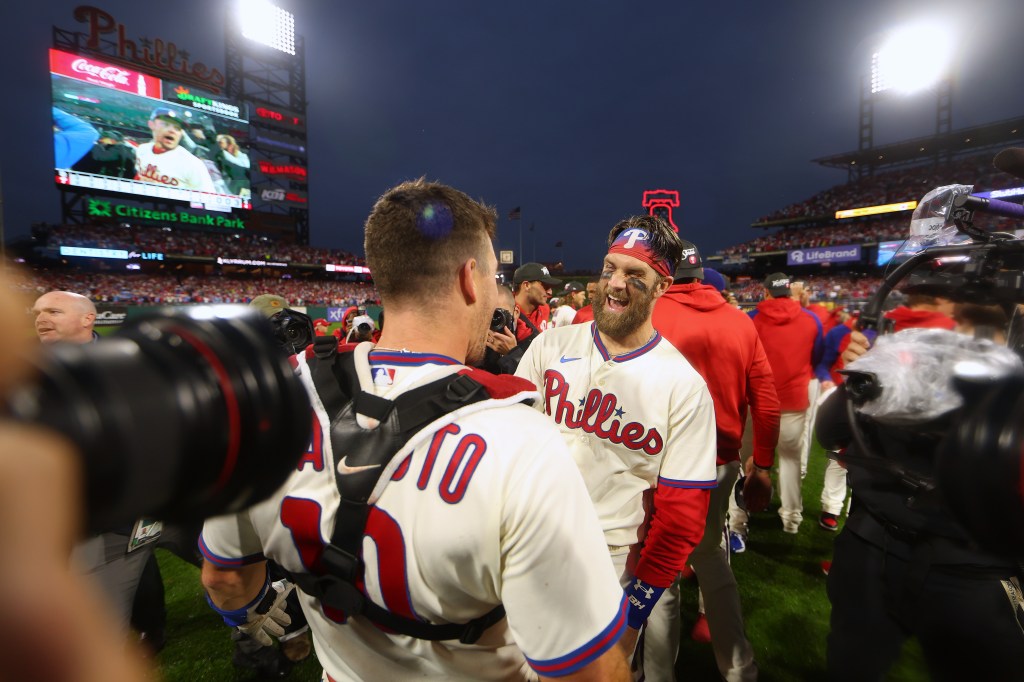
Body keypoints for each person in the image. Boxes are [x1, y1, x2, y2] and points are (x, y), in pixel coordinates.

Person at [200, 179, 630, 681]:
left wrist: (247, 612)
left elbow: (224, 577)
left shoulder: (269, 396)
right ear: (471, 278)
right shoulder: (521, 438)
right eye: (494, 276)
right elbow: (589, 670)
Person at [515, 215, 717, 679]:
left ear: (662, 287)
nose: (616, 284)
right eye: (610, 269)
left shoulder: (683, 386)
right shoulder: (550, 347)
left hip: (606, 564)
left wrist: (632, 616)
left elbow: (682, 519)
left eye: (635, 275)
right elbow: (506, 442)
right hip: (523, 538)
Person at [817, 328, 1024, 681]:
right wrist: (860, 375)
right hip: (876, 543)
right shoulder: (909, 348)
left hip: (977, 564)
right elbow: (832, 429)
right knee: (850, 666)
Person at [649, 239, 780, 681]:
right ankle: (740, 668)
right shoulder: (740, 321)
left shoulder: (650, 314)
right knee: (711, 559)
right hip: (720, 462)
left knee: (662, 574)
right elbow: (767, 401)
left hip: (661, 461)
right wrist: (761, 466)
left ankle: (658, 674)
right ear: (702, 274)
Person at [744, 272, 822, 535]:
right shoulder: (811, 319)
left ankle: (739, 521)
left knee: (748, 462)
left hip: (756, 403)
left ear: (766, 293)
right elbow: (817, 356)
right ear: (789, 292)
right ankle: (791, 520)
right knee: (790, 462)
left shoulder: (751, 319)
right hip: (794, 402)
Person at [134, 106, 216, 193]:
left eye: (177, 128)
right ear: (151, 124)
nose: (172, 131)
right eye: (166, 124)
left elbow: (209, 200)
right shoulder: (142, 149)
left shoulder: (192, 164)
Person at [512, 261, 560, 343]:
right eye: (545, 286)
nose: (550, 292)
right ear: (526, 285)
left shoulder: (544, 308)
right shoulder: (506, 310)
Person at [32, 290, 98, 344]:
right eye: (37, 314)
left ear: (87, 319)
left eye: (53, 312)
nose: (39, 319)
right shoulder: (24, 352)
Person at [72, 129, 137, 179]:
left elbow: (101, 157)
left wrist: (96, 145)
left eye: (104, 139)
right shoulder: (126, 149)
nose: (101, 140)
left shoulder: (119, 149)